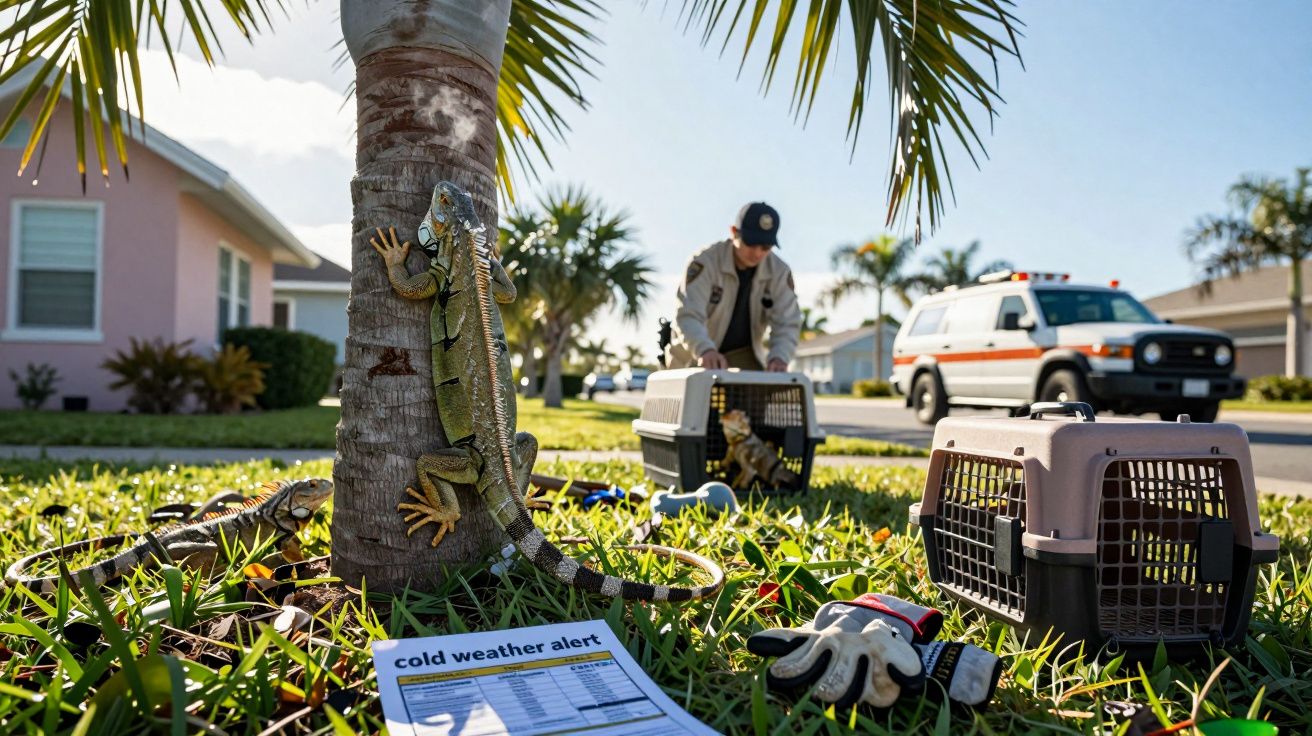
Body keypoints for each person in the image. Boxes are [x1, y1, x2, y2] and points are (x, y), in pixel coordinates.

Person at [665, 202, 801, 372]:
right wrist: (705, 350)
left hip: (744, 359)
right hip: (692, 358)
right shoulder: (704, 263)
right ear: (734, 233)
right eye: (751, 243)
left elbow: (787, 322)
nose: (758, 253)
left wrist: (780, 356)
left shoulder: (780, 272)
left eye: (765, 247)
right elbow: (689, 315)